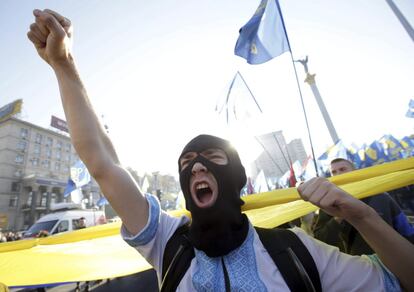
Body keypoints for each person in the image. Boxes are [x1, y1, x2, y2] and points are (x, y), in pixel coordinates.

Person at [27, 9, 414, 291]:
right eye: (186, 164)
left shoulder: (297, 252)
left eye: (212, 159)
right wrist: (63, 63)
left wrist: (361, 215)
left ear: (237, 178)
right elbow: (103, 163)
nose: (196, 168)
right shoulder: (167, 243)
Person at [313, 158, 414, 255]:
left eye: (343, 169)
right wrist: (338, 217)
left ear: (355, 171)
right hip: (361, 266)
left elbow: (405, 229)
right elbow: (321, 239)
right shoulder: (328, 204)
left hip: (395, 258)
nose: (338, 174)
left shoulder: (381, 196)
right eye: (334, 172)